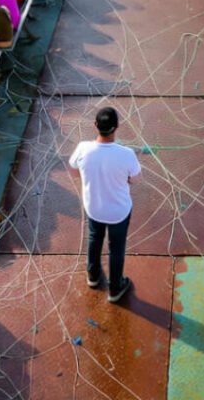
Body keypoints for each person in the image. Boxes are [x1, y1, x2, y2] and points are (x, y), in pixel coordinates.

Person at [69, 106, 142, 304]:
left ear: (95, 125)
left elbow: (74, 171)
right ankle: (115, 287)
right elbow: (135, 179)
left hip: (94, 208)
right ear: (116, 127)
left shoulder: (83, 148)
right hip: (119, 211)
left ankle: (93, 275)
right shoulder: (127, 154)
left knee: (94, 237)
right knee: (116, 247)